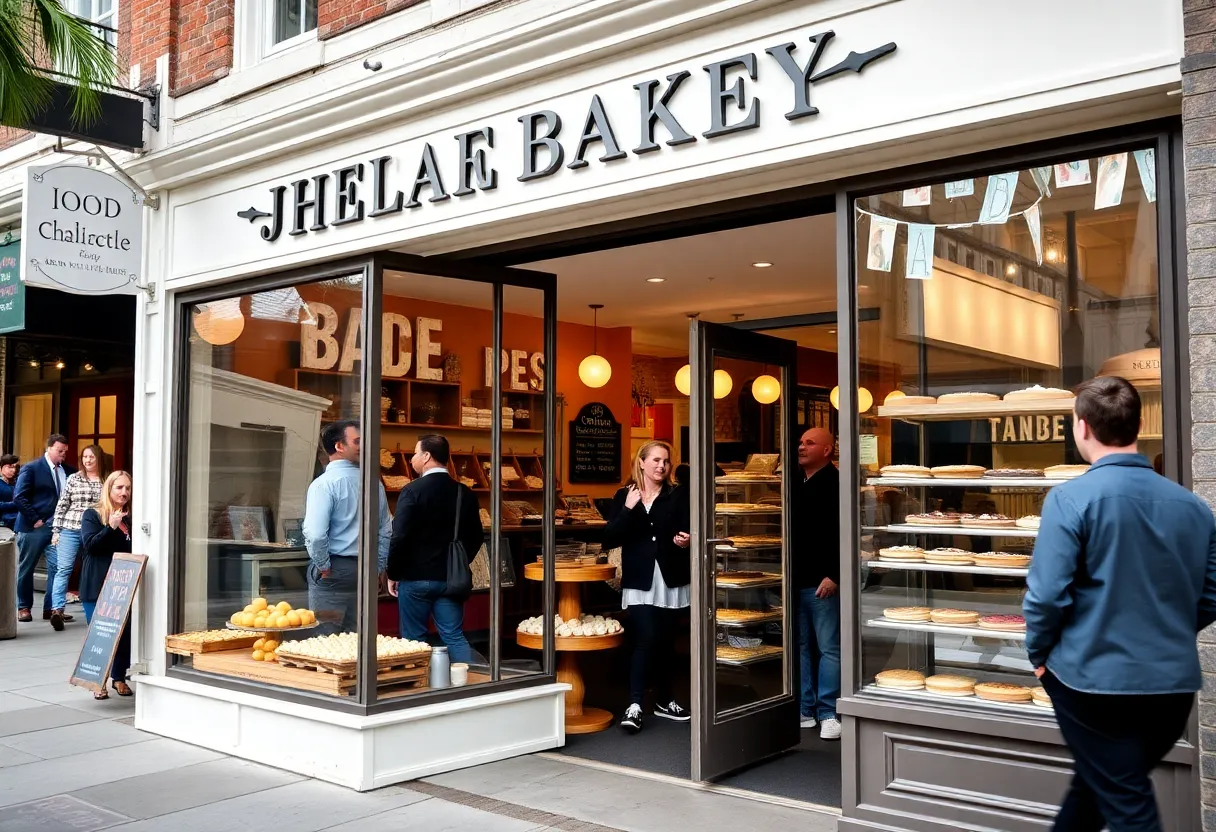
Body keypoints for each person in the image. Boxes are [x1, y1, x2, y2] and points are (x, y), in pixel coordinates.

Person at [1024, 376, 1216, 832]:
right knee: (1098, 788)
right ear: (1139, 423)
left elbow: (1046, 595)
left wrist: (1039, 656)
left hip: (1092, 683)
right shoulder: (1193, 506)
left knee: (1126, 804)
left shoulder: (1070, 499)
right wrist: (1164, 632)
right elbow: (1210, 595)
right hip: (1170, 686)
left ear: (1083, 427)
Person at [603, 440, 691, 734]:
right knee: (646, 637)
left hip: (670, 577)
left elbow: (689, 526)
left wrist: (685, 539)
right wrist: (628, 510)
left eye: (665, 461)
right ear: (641, 462)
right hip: (640, 579)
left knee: (666, 641)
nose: (661, 466)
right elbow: (610, 537)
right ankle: (636, 704)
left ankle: (665, 700)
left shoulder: (678, 494)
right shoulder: (624, 495)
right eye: (655, 460)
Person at [386, 434, 483, 663]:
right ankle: (468, 686)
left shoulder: (412, 491)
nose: (411, 459)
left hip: (415, 577)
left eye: (415, 453)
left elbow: (399, 536)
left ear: (427, 456)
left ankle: (420, 690)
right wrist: (459, 561)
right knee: (454, 636)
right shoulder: (464, 493)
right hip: (450, 578)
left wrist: (394, 573)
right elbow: (476, 536)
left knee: (414, 639)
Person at [302, 420, 391, 635]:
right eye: (358, 441)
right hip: (365, 569)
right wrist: (378, 568)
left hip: (335, 568)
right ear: (339, 446)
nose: (365, 445)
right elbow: (386, 530)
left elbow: (315, 535)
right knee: (358, 639)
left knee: (326, 639)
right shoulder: (374, 483)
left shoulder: (324, 484)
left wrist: (323, 566)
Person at [793, 428, 841, 741]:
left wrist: (835, 574)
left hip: (822, 582)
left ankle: (827, 712)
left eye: (809, 443)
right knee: (801, 648)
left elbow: (845, 531)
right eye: (800, 442)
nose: (801, 446)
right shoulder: (794, 483)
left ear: (827, 450)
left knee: (829, 648)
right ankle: (805, 709)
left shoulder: (836, 483)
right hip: (795, 580)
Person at [79, 470, 134, 700]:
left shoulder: (131, 516)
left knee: (124, 634)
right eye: (119, 488)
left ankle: (118, 677)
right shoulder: (93, 514)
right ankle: (96, 681)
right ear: (109, 489)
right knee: (100, 635)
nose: (124, 492)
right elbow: (90, 546)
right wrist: (110, 526)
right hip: (97, 583)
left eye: (128, 488)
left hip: (122, 585)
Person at [14, 434, 74, 624]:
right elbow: (19, 497)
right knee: (27, 567)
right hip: (34, 528)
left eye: (65, 451)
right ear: (49, 448)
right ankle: (23, 607)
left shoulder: (68, 471)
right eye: (59, 451)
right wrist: (35, 519)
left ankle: (51, 609)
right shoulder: (32, 468)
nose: (63, 455)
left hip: (57, 528)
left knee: (57, 568)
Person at [48, 444, 109, 630]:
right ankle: (57, 610)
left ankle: (95, 607)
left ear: (99, 458)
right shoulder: (74, 478)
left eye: (91, 457)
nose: (88, 460)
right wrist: (56, 531)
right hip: (70, 528)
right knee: (64, 568)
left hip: (94, 530)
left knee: (92, 569)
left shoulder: (107, 479)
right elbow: (62, 504)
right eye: (85, 457)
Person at [0, 454, 19, 530]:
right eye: (9, 467)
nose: (13, 470)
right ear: (1, 468)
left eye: (14, 467)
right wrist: (14, 503)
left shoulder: (16, 482)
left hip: (16, 520)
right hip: (3, 523)